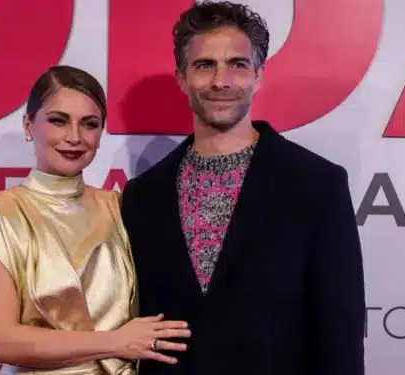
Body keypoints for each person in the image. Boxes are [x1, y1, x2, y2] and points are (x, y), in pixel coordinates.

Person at [120, 2, 366, 375]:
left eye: (237, 64)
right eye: (205, 65)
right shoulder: (142, 196)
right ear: (182, 79)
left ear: (258, 76)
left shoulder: (317, 185)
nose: (221, 81)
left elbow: (340, 333)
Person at [0, 65, 191, 375]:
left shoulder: (119, 207)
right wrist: (116, 342)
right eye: (58, 121)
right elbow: (0, 342)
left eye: (89, 124)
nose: (74, 137)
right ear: (29, 125)